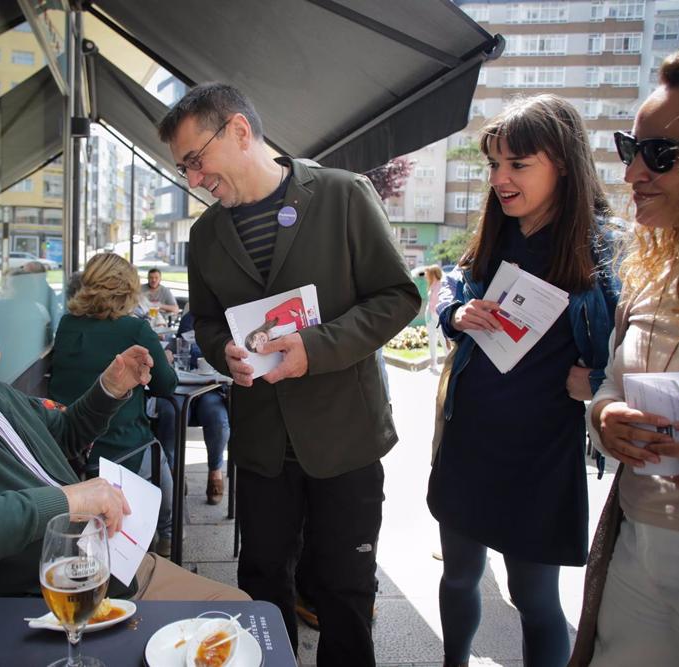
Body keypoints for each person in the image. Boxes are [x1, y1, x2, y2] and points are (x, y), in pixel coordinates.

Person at [158, 82, 420, 666]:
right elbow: (204, 319)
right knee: (260, 582)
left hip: (344, 436)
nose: (193, 180)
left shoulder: (342, 194)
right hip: (263, 446)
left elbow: (399, 297)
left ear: (240, 132)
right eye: (183, 169)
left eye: (196, 161)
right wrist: (222, 346)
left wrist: (317, 347)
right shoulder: (205, 235)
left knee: (345, 590)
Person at [0, 263, 247, 601]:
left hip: (101, 564)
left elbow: (65, 436)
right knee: (242, 612)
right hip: (50, 596)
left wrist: (109, 388)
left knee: (244, 610)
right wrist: (68, 501)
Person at [428, 94, 619, 667]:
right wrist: (453, 315)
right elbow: (455, 285)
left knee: (534, 598)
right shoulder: (496, 230)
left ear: (562, 162)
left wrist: (603, 381)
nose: (501, 179)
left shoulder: (601, 246)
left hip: (543, 452)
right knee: (460, 577)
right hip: (471, 438)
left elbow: (639, 346)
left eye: (517, 164)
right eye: (493, 165)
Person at [577, 44, 679, 666]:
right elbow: (611, 386)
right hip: (636, 552)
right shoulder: (652, 272)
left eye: (660, 155)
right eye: (629, 148)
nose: (632, 174)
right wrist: (605, 417)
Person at [48, 253, 178, 557]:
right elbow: (166, 385)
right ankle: (166, 546)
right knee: (165, 474)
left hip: (69, 451)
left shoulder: (67, 324)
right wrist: (165, 361)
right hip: (123, 447)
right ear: (128, 288)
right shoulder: (135, 330)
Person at [155, 309, 230, 505]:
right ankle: (173, 472)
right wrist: (169, 353)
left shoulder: (226, 318)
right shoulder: (190, 317)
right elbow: (179, 344)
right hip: (181, 386)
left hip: (212, 387)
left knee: (217, 418)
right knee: (170, 413)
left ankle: (215, 472)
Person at [424, 265, 447, 374]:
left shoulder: (442, 284)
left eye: (428, 274)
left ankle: (449, 362)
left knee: (443, 338)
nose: (426, 276)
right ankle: (433, 363)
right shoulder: (432, 285)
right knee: (432, 339)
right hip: (430, 315)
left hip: (438, 316)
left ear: (434, 273)